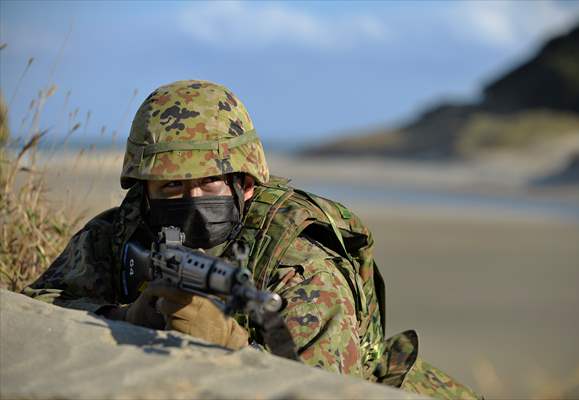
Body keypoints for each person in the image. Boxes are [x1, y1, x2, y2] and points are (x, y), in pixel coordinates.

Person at [24, 80, 480, 399]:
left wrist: (232, 346)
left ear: (244, 184)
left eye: (208, 183)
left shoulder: (298, 259)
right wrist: (123, 316)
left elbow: (325, 389)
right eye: (171, 187)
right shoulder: (117, 234)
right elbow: (33, 311)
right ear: (144, 190)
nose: (190, 198)